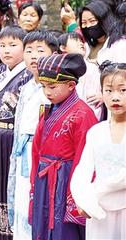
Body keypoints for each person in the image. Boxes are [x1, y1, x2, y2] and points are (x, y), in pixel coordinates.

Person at [29, 53, 97, 239]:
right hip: (44, 178)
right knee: (43, 227)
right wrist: (34, 181)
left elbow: (86, 159)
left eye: (52, 87)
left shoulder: (83, 114)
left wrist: (76, 197)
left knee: (64, 231)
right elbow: (36, 150)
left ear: (71, 85)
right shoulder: (48, 110)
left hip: (66, 180)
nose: (47, 92)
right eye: (43, 86)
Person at [6, 31, 57, 240]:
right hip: (22, 153)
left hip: (41, 156)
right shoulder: (27, 87)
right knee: (20, 200)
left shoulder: (55, 89)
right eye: (29, 51)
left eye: (40, 50)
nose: (34, 56)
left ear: (54, 54)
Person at [0, 25, 31, 240]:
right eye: (2, 45)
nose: (6, 50)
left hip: (13, 139)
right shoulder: (0, 74)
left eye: (13, 45)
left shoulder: (27, 76)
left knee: (10, 190)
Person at [71, 61, 126, 239]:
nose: (115, 97)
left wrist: (96, 192)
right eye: (109, 90)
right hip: (99, 210)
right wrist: (82, 199)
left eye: (123, 90)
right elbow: (82, 170)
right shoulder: (96, 132)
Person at [58, 32, 102, 117]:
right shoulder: (58, 70)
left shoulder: (92, 68)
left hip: (89, 116)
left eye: (81, 41)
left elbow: (95, 99)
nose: (81, 43)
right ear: (63, 48)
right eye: (76, 40)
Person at [79, 0, 126, 65]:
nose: (88, 26)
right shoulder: (86, 46)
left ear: (104, 20)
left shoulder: (119, 45)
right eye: (84, 23)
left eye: (92, 21)